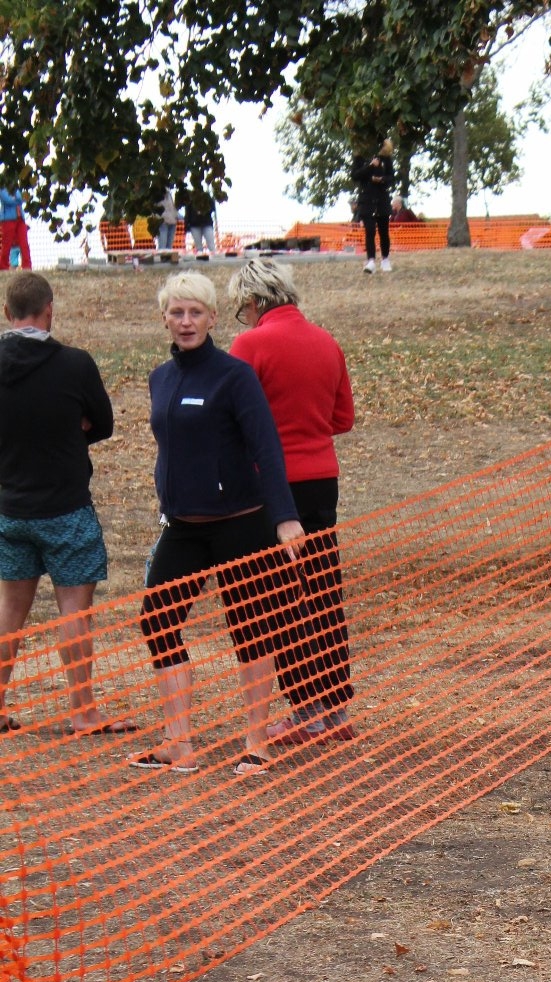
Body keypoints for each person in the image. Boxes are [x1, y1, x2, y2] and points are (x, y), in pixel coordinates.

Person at [131, 272, 303, 775]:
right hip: (183, 526)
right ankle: (178, 742)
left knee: (252, 630)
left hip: (240, 524)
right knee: (157, 620)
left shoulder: (235, 376)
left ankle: (256, 742)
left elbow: (267, 449)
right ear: (164, 318)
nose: (186, 322)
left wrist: (285, 518)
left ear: (212, 318)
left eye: (195, 313)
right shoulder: (161, 378)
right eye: (177, 312)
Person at [228, 258, 356, 743]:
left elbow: (232, 415)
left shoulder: (250, 345)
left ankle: (305, 709)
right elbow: (342, 418)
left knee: (281, 599)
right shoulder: (326, 341)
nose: (245, 316)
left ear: (254, 301)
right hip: (322, 479)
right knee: (323, 592)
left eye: (243, 308)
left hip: (273, 487)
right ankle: (337, 707)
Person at [0, 272, 127, 735]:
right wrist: (70, 432)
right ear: (49, 309)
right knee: (75, 611)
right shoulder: (75, 364)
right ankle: (83, 710)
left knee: (9, 611)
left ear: (7, 313)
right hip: (67, 508)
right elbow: (105, 423)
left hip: (11, 508)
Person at [352, 142, 394, 273]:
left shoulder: (386, 159)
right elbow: (355, 175)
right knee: (369, 232)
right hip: (367, 201)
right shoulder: (360, 158)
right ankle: (370, 261)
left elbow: (391, 178)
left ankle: (385, 259)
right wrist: (370, 166)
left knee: (383, 232)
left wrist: (381, 179)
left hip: (382, 200)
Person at [0, 187, 32, 271]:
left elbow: (21, 198)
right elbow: (7, 200)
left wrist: (16, 199)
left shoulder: (16, 187)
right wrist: (18, 199)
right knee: (6, 244)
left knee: (24, 243)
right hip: (7, 219)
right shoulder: (2, 187)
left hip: (20, 219)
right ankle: (3, 267)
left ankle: (27, 267)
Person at [182, 189, 217, 259]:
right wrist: (186, 225)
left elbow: (212, 208)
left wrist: (204, 211)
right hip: (194, 224)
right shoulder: (190, 199)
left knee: (211, 245)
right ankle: (201, 261)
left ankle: (214, 259)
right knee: (199, 247)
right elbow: (187, 213)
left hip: (206, 223)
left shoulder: (206, 197)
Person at [157, 187, 180, 255]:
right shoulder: (157, 193)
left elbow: (173, 206)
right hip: (163, 221)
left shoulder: (171, 192)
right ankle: (162, 258)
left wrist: (176, 216)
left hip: (172, 220)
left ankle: (167, 258)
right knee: (163, 245)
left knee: (169, 246)